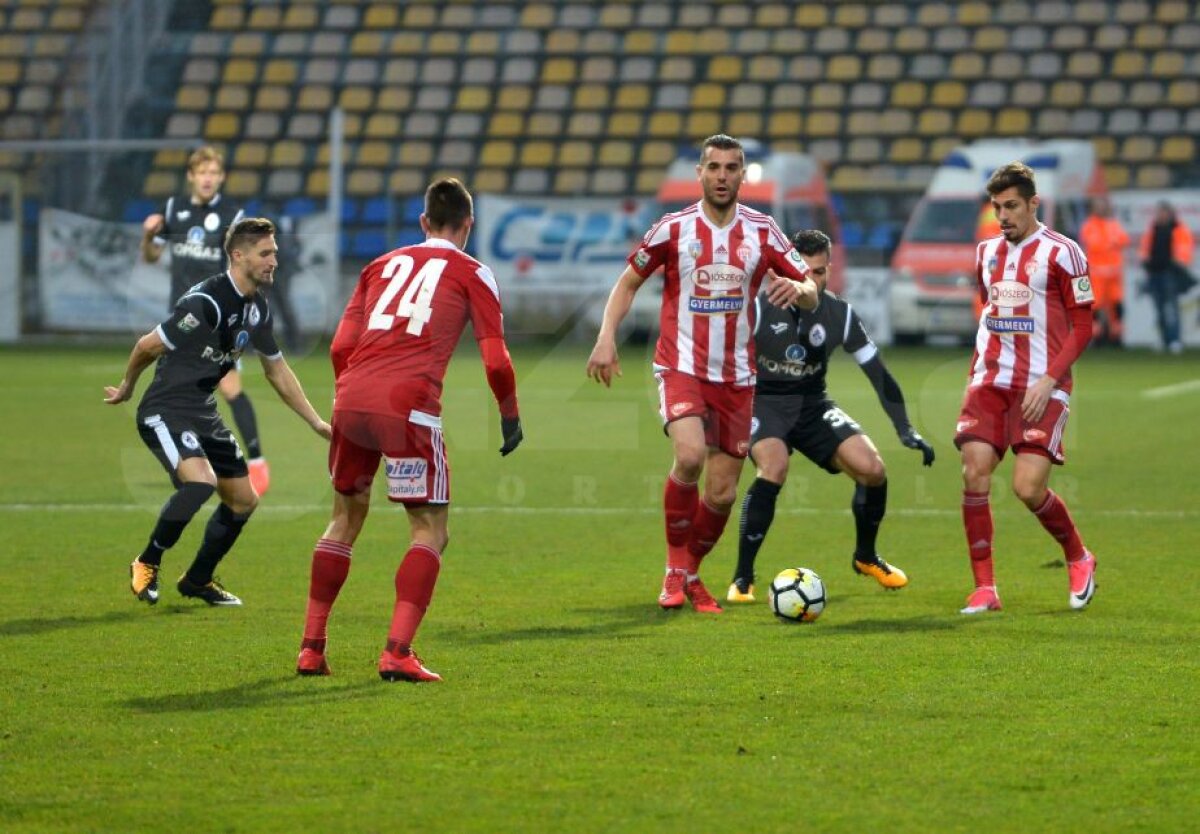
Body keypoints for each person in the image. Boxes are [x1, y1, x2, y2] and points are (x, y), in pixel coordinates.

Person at [296, 178, 523, 683]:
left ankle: (311, 648)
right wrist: (509, 415)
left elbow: (339, 348)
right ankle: (397, 651)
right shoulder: (473, 272)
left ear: (423, 223)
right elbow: (496, 359)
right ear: (468, 225)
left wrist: (354, 400)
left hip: (351, 398)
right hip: (409, 409)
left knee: (344, 518)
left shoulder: (379, 266)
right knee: (430, 530)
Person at [586, 134, 818, 614]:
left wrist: (800, 288)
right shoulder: (672, 230)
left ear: (742, 174)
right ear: (700, 173)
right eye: (714, 167)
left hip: (737, 376)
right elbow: (628, 282)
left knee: (723, 490)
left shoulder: (764, 231)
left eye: (732, 168)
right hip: (681, 366)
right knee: (689, 456)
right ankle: (674, 570)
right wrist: (606, 336)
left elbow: (811, 288)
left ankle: (692, 573)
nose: (722, 176)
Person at [106, 218, 332, 607]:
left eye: (275, 253)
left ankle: (197, 580)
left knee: (244, 500)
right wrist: (128, 385)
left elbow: (276, 369)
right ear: (238, 255)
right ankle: (147, 561)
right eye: (265, 253)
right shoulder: (206, 303)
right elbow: (147, 345)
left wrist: (314, 422)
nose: (274, 261)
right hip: (165, 408)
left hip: (203, 410)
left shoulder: (257, 309)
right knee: (199, 483)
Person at [728, 229, 935, 603]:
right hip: (764, 403)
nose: (811, 280)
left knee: (872, 469)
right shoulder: (757, 308)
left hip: (813, 404)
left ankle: (866, 557)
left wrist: (905, 428)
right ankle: (743, 578)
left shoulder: (839, 314)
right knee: (773, 467)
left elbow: (879, 374)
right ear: (784, 270)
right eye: (802, 271)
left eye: (820, 272)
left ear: (830, 271)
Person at [955, 162, 1097, 615]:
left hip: (1042, 385)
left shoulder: (1064, 252)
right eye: (997, 207)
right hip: (991, 381)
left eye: (1012, 206)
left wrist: (1050, 379)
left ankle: (1079, 556)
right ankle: (985, 588)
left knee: (1027, 488)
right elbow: (988, 312)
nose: (1003, 216)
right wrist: (974, 376)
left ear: (1034, 203)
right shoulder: (986, 253)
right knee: (973, 471)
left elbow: (1083, 325)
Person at [141, 146, 271, 495]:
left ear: (221, 177)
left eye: (214, 172)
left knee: (230, 389)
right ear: (191, 176)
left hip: (218, 319)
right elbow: (152, 256)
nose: (208, 178)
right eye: (202, 173)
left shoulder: (233, 215)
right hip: (182, 318)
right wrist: (148, 236)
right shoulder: (174, 210)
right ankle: (188, 467)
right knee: (173, 393)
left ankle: (256, 462)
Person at [1138, 201, 1195, 354]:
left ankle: (1175, 339)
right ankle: (1164, 339)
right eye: (1159, 213)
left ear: (1170, 214)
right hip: (1154, 272)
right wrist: (1145, 262)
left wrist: (1178, 263)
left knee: (1172, 308)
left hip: (1169, 273)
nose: (1161, 216)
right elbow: (1144, 248)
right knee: (1159, 309)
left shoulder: (1178, 228)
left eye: (1164, 212)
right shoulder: (1153, 229)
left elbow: (1185, 248)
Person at [1078, 196, 1130, 346]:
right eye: (1098, 206)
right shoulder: (1089, 225)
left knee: (1117, 305)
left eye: (1103, 205)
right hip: (1097, 274)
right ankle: (1097, 338)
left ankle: (1117, 337)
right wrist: (1111, 242)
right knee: (1095, 306)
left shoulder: (1113, 223)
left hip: (1114, 273)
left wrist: (1110, 242)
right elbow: (1094, 244)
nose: (1102, 208)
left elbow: (1124, 240)